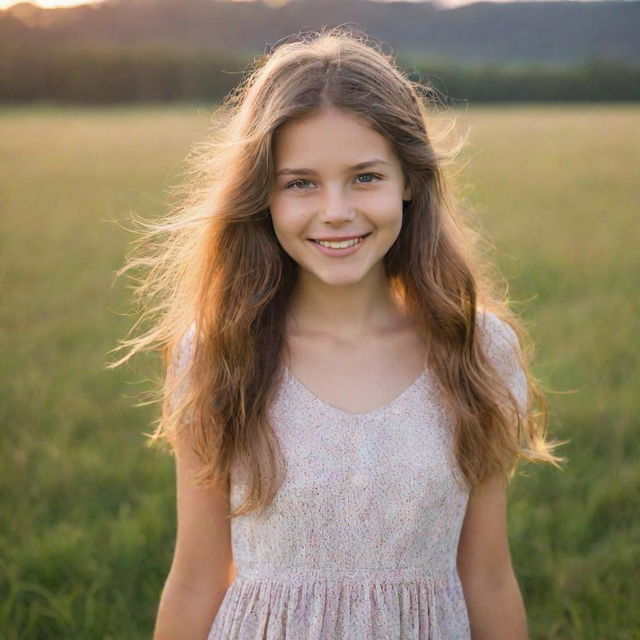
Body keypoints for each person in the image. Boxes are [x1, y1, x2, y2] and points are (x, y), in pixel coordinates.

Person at [110, 26, 565, 640]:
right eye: (300, 182)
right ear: (262, 198)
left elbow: (486, 575)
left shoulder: (477, 349)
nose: (336, 211)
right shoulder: (218, 352)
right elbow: (196, 576)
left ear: (410, 182)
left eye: (365, 177)